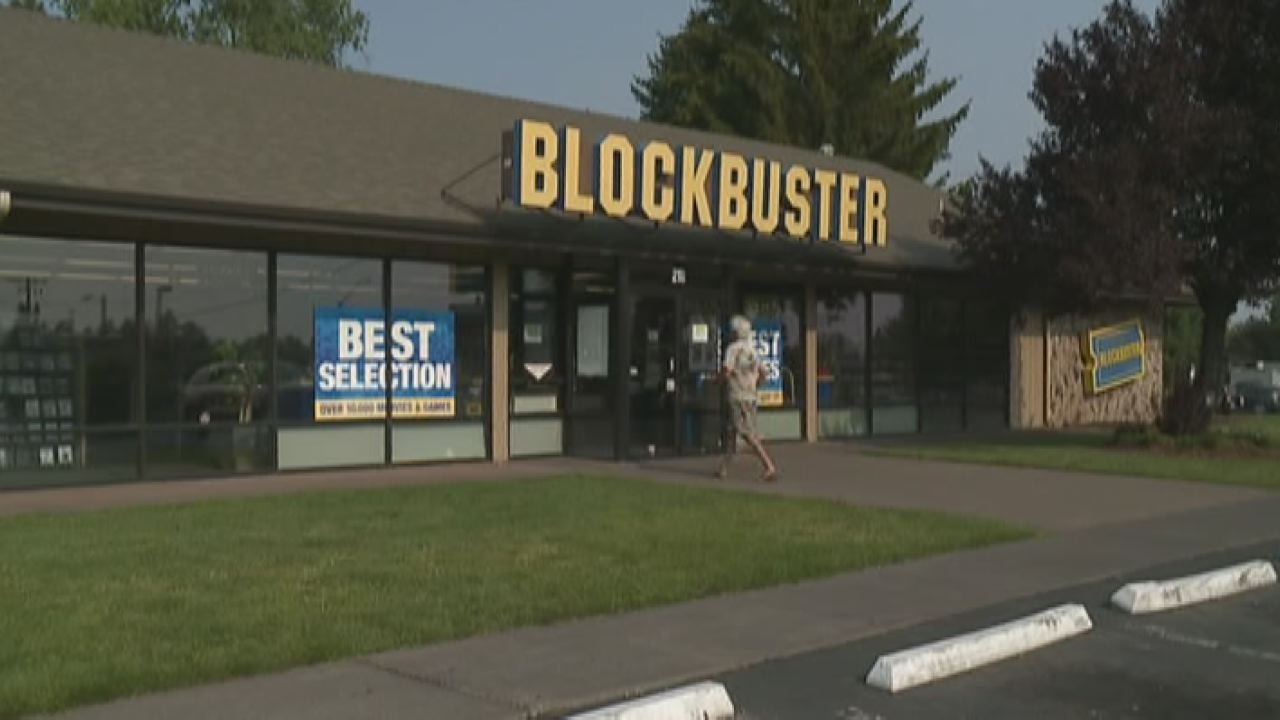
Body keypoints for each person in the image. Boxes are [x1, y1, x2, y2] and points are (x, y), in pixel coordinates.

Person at [715, 315, 778, 482]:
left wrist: (717, 381)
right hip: (750, 397)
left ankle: (769, 466)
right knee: (732, 432)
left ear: (736, 332)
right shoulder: (752, 350)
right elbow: (763, 372)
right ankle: (723, 469)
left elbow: (727, 370)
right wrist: (755, 385)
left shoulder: (733, 349)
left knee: (746, 433)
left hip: (736, 396)